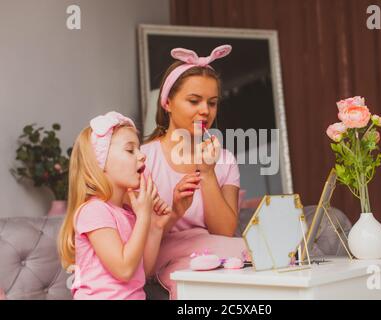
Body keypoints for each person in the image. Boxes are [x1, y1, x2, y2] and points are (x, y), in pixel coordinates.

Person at [140, 45, 247, 299]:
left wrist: (207, 173)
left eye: (212, 103)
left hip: (214, 248)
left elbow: (224, 231)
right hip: (161, 253)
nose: (205, 111)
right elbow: (139, 234)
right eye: (193, 101)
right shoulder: (143, 158)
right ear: (167, 103)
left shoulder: (224, 161)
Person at [58, 111, 170, 299]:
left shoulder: (127, 213)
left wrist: (156, 226)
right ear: (99, 162)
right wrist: (143, 217)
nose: (142, 156)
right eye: (130, 150)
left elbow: (142, 270)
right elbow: (124, 269)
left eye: (139, 149)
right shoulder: (94, 211)